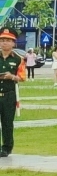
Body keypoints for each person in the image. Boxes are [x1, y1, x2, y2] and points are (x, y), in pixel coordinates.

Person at [0, 29, 27, 157]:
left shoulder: (18, 59)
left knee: (7, 123)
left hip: (9, 95)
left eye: (7, 41)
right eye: (2, 40)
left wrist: (11, 77)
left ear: (13, 43)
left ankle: (6, 148)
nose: (4, 43)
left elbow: (22, 77)